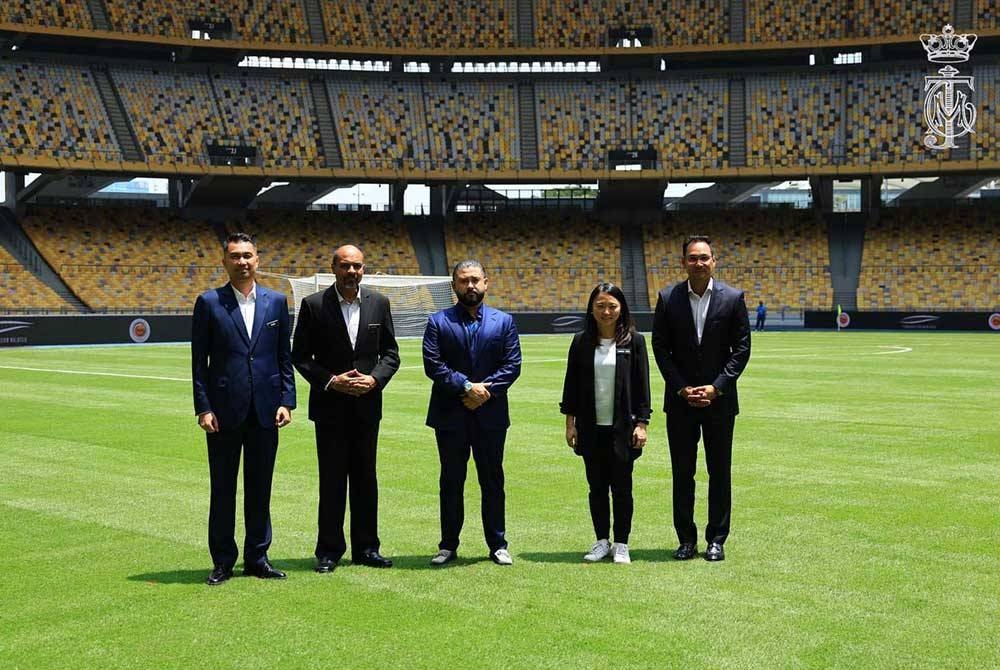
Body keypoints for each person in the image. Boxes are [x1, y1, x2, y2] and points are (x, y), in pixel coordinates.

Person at [191, 232, 296, 585]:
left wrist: (286, 400)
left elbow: (284, 357)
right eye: (235, 256)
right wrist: (203, 407)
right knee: (222, 488)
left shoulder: (277, 303)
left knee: (260, 487)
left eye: (248, 255)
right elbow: (198, 363)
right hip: (222, 411)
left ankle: (257, 557)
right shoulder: (209, 303)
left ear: (258, 259)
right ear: (224, 261)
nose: (242, 261)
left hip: (266, 409)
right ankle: (222, 560)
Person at [291, 244, 400, 571]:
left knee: (367, 479)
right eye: (345, 266)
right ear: (334, 268)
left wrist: (374, 380)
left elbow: (391, 354)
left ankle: (367, 548)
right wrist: (330, 380)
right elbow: (300, 357)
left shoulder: (379, 303)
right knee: (333, 480)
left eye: (357, 266)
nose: (352, 272)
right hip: (330, 408)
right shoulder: (313, 305)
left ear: (363, 269)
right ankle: (328, 551)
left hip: (367, 407)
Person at [651, 235, 751, 563]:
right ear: (684, 262)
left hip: (720, 402)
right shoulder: (668, 298)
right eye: (693, 258)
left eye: (704, 257)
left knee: (719, 471)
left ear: (714, 261)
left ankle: (716, 539)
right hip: (680, 403)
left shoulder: (733, 299)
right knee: (683, 472)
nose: (699, 263)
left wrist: (717, 386)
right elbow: (660, 348)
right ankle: (685, 539)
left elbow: (742, 349)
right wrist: (681, 387)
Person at [422, 260, 522, 566]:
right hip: (451, 414)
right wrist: (466, 387)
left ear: (486, 283)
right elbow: (433, 365)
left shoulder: (503, 322)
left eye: (475, 280)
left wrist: (484, 392)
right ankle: (448, 545)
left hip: (490, 415)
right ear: (453, 286)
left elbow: (512, 365)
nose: (470, 286)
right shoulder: (438, 321)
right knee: (451, 480)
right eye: (464, 281)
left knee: (492, 480)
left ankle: (498, 544)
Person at [560, 283, 651, 565]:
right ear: (592, 308)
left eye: (612, 306)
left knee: (622, 487)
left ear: (621, 308)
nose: (606, 311)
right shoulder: (580, 341)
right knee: (596, 487)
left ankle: (621, 543)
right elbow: (571, 385)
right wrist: (570, 423)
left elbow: (642, 385)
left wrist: (643, 423)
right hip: (590, 427)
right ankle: (601, 541)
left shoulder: (634, 341)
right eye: (600, 306)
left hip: (623, 428)